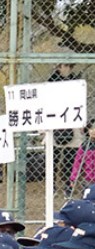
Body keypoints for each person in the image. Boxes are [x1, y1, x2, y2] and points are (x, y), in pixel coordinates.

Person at [49, 63, 82, 195]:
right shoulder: (51, 82)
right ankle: (52, 186)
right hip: (55, 119)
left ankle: (69, 185)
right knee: (53, 158)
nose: (67, 69)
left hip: (71, 118)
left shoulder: (76, 81)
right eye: (64, 66)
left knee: (70, 157)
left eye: (69, 66)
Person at [70, 118, 95, 195]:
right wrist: (73, 178)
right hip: (89, 179)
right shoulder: (84, 146)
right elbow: (77, 163)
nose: (94, 131)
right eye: (91, 128)